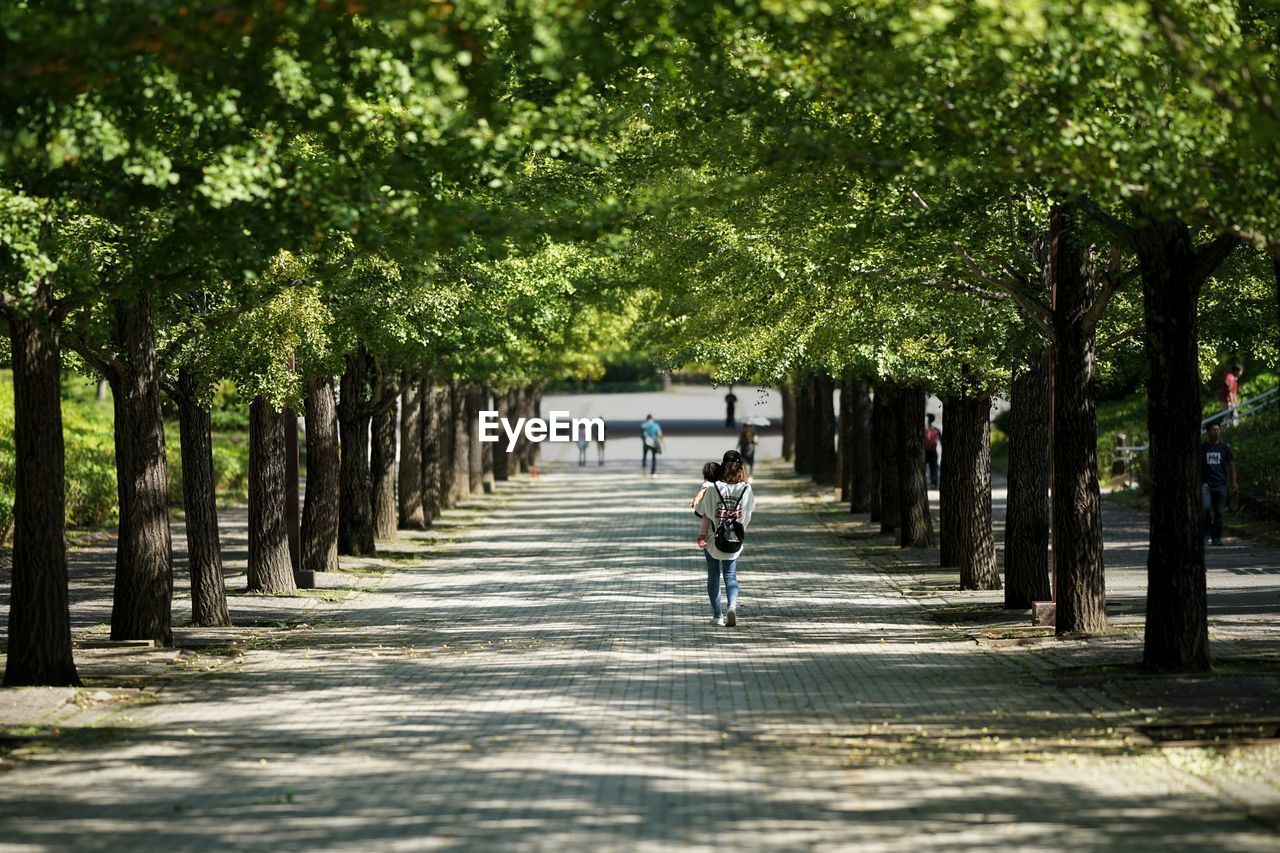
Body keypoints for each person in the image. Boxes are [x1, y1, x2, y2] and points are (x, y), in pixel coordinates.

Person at [697, 450, 756, 627]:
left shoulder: (714, 488)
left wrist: (701, 535)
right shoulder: (746, 488)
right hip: (734, 539)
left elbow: (704, 513)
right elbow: (748, 514)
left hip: (713, 538)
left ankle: (718, 615)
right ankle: (732, 606)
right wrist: (739, 528)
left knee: (713, 575)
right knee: (730, 575)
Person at [1201, 422, 1238, 546]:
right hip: (1205, 485)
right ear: (1208, 432)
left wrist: (1234, 481)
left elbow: (1231, 464)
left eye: (1218, 430)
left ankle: (1216, 537)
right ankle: (1205, 534)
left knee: (1219, 512)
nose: (1216, 432)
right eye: (1213, 430)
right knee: (1205, 507)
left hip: (1221, 485)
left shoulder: (1224, 448)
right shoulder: (1202, 447)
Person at [923, 413, 942, 488]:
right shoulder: (936, 429)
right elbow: (940, 440)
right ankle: (934, 483)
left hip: (924, 452)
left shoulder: (923, 429)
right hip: (933, 452)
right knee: (934, 468)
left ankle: (926, 483)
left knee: (924, 469)